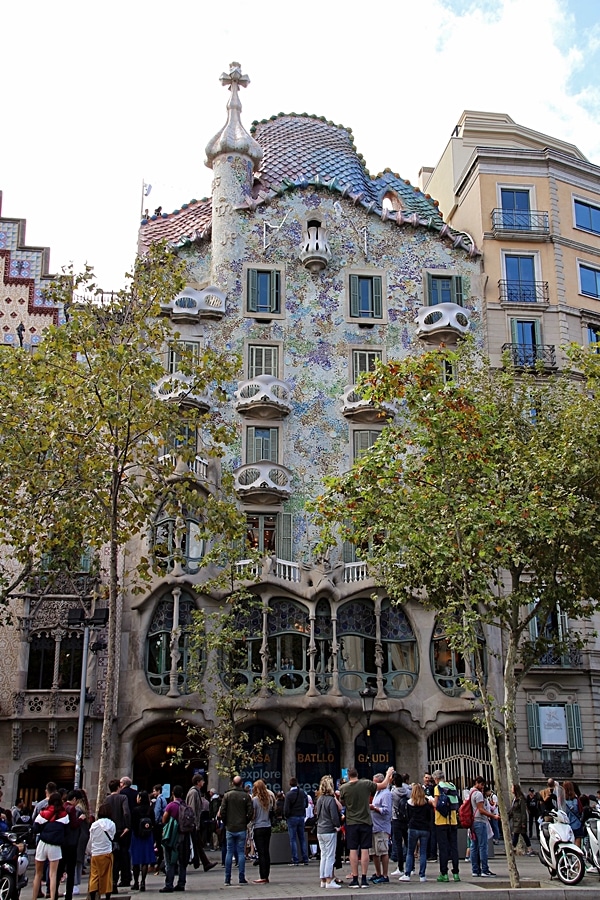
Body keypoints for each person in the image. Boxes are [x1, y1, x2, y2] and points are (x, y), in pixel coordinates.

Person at [339, 765, 394, 889]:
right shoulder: (366, 784)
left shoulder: (344, 788)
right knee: (365, 850)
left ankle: (355, 878)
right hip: (366, 821)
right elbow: (384, 785)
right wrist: (388, 773)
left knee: (353, 850)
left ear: (348, 776)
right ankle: (363, 879)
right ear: (357, 775)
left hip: (352, 822)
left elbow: (342, 802)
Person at [32, 791, 69, 900]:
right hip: (55, 846)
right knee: (53, 874)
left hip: (43, 843)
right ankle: (53, 897)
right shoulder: (64, 815)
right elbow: (67, 831)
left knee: (38, 874)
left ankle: (34, 897)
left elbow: (35, 828)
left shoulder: (44, 813)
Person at [220, 775, 253, 887]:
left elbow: (222, 811)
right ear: (241, 783)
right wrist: (245, 821)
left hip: (230, 827)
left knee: (229, 852)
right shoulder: (246, 796)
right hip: (241, 827)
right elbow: (250, 812)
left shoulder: (227, 795)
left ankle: (227, 879)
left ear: (233, 783)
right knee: (241, 853)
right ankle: (241, 877)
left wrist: (226, 822)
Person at [430, 769, 461, 883]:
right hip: (453, 821)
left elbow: (436, 804)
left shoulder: (437, 788)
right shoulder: (452, 785)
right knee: (454, 848)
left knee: (443, 848)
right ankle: (456, 873)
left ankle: (444, 874)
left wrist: (430, 800)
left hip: (441, 821)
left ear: (436, 779)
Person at [159, 785, 189, 893]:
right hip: (184, 836)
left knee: (170, 861)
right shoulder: (186, 805)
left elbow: (164, 819)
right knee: (182, 862)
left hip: (172, 836)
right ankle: (181, 883)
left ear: (172, 793)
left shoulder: (171, 806)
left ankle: (169, 884)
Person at [469, 775, 500, 878]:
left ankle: (475, 870)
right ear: (477, 783)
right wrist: (493, 816)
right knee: (483, 846)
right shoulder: (478, 794)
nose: (482, 787)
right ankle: (485, 870)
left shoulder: (470, 792)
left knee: (474, 846)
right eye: (482, 785)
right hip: (480, 822)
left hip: (473, 822)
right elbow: (481, 809)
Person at [185, 775, 217, 873]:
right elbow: (192, 809)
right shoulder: (194, 793)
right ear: (198, 782)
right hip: (193, 824)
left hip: (194, 823)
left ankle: (203, 862)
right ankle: (200, 862)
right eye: (202, 781)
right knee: (193, 844)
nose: (203, 782)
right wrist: (194, 824)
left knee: (197, 843)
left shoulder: (196, 792)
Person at [104, 779, 131, 893]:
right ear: (118, 788)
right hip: (121, 830)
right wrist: (127, 826)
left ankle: (111, 882)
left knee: (112, 857)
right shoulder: (123, 798)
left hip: (110, 831)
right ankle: (122, 878)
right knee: (123, 855)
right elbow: (126, 812)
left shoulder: (106, 799)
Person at [315, 776, 341, 890]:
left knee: (324, 856)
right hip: (329, 830)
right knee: (330, 856)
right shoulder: (330, 800)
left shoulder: (319, 799)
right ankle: (329, 880)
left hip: (320, 830)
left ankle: (323, 880)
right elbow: (334, 816)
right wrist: (338, 826)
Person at [86, 803, 116, 900]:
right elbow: (112, 837)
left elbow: (91, 839)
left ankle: (93, 895)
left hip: (95, 853)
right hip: (107, 852)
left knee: (94, 876)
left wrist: (89, 851)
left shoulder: (94, 825)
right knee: (107, 876)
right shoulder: (112, 824)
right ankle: (107, 896)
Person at [369, 773, 392, 884]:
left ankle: (385, 874)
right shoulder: (377, 792)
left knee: (383, 851)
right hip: (374, 826)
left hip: (382, 827)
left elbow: (387, 811)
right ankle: (378, 873)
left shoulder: (386, 794)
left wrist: (375, 808)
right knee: (374, 852)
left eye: (374, 782)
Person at [130, 790, 155, 891]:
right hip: (147, 837)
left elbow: (132, 823)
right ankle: (143, 882)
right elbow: (153, 822)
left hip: (137, 837)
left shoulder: (135, 810)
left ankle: (136, 882)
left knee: (136, 860)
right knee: (145, 861)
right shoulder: (150, 810)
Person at [251, 779, 273, 884]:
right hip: (267, 826)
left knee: (261, 852)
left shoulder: (255, 800)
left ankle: (262, 876)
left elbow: (253, 815)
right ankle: (266, 875)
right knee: (266, 851)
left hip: (258, 827)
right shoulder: (269, 799)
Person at [283, 777, 309, 867]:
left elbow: (286, 808)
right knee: (302, 838)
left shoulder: (289, 795)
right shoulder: (302, 792)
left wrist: (286, 816)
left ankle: (295, 859)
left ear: (290, 784)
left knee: (293, 839)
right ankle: (305, 858)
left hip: (292, 817)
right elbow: (306, 804)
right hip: (301, 816)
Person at [118, 778, 137, 888]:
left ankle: (125, 877)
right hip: (134, 827)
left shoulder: (121, 795)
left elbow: (126, 812)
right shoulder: (135, 794)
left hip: (123, 827)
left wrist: (127, 825)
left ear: (123, 784)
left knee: (123, 852)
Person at [508, 785, 535, 856]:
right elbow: (512, 810)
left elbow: (523, 811)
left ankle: (513, 848)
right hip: (516, 819)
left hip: (519, 820)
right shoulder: (515, 799)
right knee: (523, 835)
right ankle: (529, 848)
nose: (511, 789)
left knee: (517, 834)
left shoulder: (521, 799)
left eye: (512, 788)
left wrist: (523, 822)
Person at [151, 786, 167, 874]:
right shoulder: (163, 799)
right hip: (162, 823)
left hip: (158, 824)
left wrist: (154, 822)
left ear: (158, 791)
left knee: (158, 843)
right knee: (160, 843)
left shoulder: (159, 800)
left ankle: (159, 861)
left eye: (154, 791)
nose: (153, 793)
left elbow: (157, 812)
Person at [563, 781, 584, 847]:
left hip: (565, 825)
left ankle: (568, 855)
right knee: (577, 840)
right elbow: (581, 811)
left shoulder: (562, 800)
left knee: (567, 842)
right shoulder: (577, 799)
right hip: (576, 824)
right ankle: (576, 856)